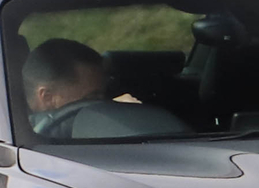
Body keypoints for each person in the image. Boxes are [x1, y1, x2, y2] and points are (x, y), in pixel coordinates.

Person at [24, 38, 187, 140]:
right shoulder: (28, 141)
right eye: (91, 99)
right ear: (47, 97)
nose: (103, 105)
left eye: (103, 96)